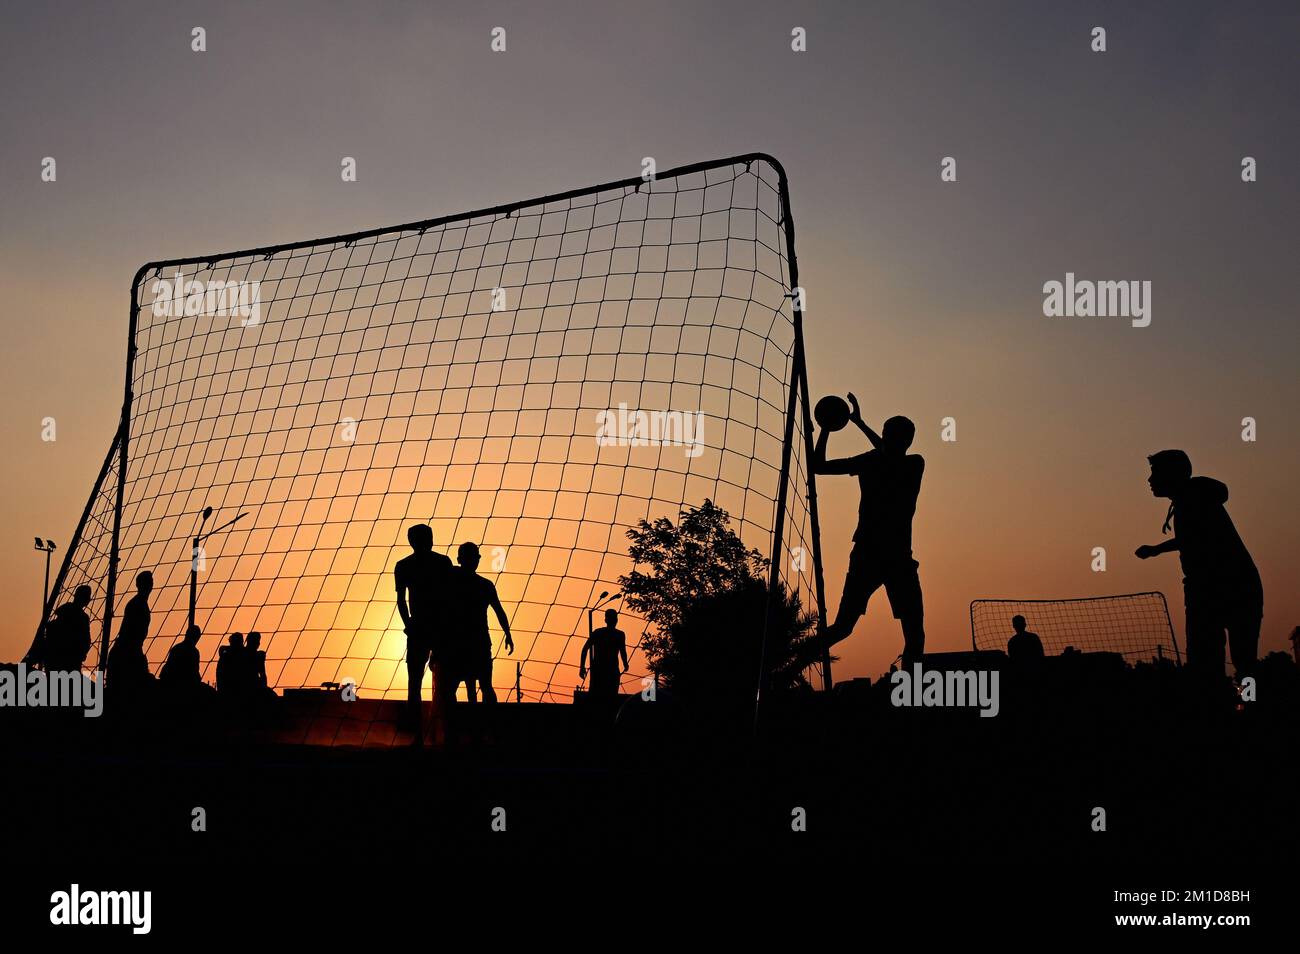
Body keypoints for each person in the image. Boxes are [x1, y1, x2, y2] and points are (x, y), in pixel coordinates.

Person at [813, 394, 926, 666]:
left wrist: (854, 425)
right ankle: (791, 665)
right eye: (886, 434)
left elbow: (889, 457)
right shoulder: (879, 460)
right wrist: (827, 430)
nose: (887, 439)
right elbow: (818, 467)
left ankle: (910, 690)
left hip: (895, 557)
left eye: (892, 435)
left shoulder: (912, 463)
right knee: (843, 627)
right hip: (871, 555)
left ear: (907, 442)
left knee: (914, 634)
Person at [1136, 450, 1263, 679]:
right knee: (1236, 661)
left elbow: (1193, 538)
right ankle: (1243, 705)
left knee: (1218, 662)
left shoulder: (1192, 500)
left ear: (1172, 474)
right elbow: (1193, 539)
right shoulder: (1192, 498)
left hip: (1223, 587)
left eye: (1155, 472)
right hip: (1223, 587)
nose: (1150, 480)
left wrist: (1155, 550)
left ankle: (1241, 706)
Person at [394, 523, 454, 730]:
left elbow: (402, 601)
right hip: (430, 628)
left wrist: (409, 625)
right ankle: (430, 733)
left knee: (431, 684)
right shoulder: (437, 563)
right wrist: (409, 624)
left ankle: (432, 733)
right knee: (424, 683)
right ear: (414, 541)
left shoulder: (407, 565)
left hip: (431, 628)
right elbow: (401, 600)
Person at [445, 542, 514, 703]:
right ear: (461, 559)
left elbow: (499, 611)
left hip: (474, 643)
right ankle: (472, 723)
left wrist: (508, 633)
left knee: (483, 686)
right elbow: (499, 611)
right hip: (462, 643)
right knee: (468, 687)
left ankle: (483, 723)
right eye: (472, 557)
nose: (474, 560)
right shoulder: (455, 580)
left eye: (476, 557)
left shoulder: (481, 584)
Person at [107, 570, 154, 694]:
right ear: (139, 585)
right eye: (148, 582)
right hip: (125, 654)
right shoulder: (137, 605)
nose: (150, 585)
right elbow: (131, 636)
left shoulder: (139, 603)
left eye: (151, 581)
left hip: (126, 652)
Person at [580, 608, 628, 703]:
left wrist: (582, 667)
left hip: (607, 670)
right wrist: (625, 663)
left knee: (601, 698)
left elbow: (584, 649)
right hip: (603, 670)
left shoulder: (614, 634)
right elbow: (585, 649)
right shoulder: (615, 634)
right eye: (614, 618)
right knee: (604, 698)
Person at [44, 585, 94, 674]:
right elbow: (85, 640)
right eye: (87, 596)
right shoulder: (82, 618)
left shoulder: (62, 614)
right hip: (69, 663)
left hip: (53, 662)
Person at [159, 625, 204, 691]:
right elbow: (194, 673)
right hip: (181, 684)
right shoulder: (194, 652)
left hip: (168, 680)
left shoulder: (176, 648)